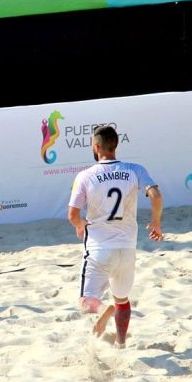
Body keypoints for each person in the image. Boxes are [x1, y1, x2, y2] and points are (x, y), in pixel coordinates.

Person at [67, 125, 163, 348]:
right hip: (127, 249)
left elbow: (72, 214)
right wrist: (156, 222)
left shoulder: (86, 175)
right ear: (116, 145)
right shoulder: (134, 169)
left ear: (96, 146)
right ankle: (121, 344)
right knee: (122, 300)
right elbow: (156, 195)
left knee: (85, 301)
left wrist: (80, 224)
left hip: (99, 249)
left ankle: (102, 310)